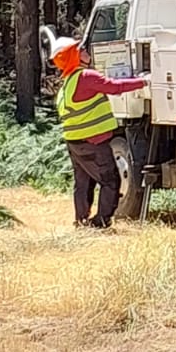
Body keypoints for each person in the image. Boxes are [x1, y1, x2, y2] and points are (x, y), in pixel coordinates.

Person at [49, 36, 147, 230]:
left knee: (83, 183)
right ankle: (101, 222)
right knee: (111, 181)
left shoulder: (67, 83)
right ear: (74, 56)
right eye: (81, 50)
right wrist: (143, 82)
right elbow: (114, 87)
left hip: (75, 143)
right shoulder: (86, 77)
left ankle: (81, 221)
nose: (86, 52)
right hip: (93, 142)